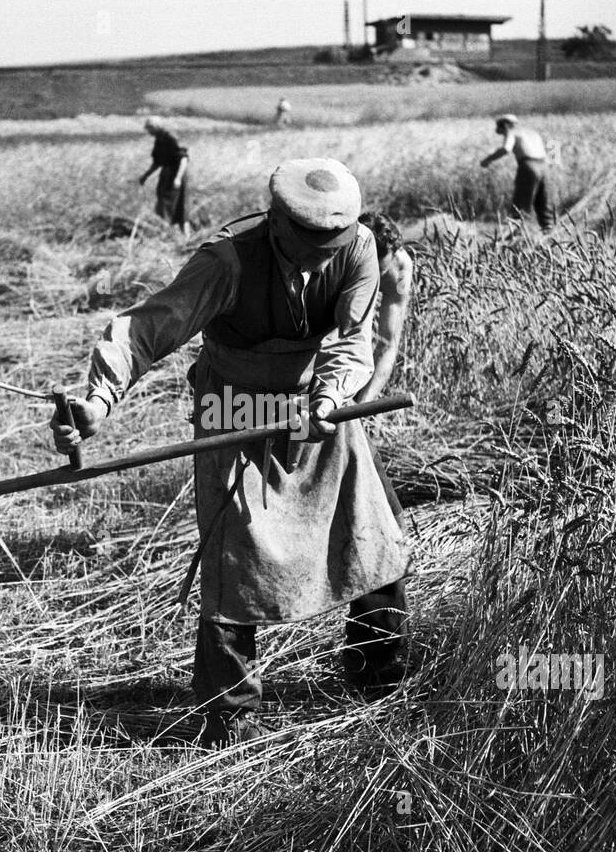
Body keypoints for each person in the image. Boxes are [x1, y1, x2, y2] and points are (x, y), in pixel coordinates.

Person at [52, 158, 412, 748]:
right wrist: (97, 402)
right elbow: (145, 329)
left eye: (336, 241)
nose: (327, 252)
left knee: (372, 534)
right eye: (313, 242)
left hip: (315, 407)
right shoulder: (227, 260)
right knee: (236, 558)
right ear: (277, 224)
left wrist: (328, 398)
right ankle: (229, 714)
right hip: (233, 409)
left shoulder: (360, 247)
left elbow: (353, 340)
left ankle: (380, 678)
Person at [355, 212, 413, 404]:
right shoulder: (346, 255)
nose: (373, 274)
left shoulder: (401, 269)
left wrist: (362, 405)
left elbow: (388, 343)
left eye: (379, 269)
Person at [480, 114, 555, 231]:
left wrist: (487, 160)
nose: (503, 133)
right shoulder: (532, 133)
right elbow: (553, 143)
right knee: (543, 203)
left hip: (528, 166)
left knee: (521, 204)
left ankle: (516, 236)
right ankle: (549, 232)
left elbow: (506, 149)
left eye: (501, 130)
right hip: (544, 167)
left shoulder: (512, 132)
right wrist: (553, 163)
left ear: (505, 125)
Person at [138, 116, 190, 233]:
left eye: (149, 129)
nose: (148, 132)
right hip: (167, 174)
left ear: (154, 127)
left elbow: (183, 159)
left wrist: (178, 178)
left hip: (177, 173)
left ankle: (183, 235)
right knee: (163, 201)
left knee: (179, 205)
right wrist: (145, 176)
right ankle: (166, 231)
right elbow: (157, 162)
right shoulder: (159, 139)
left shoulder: (171, 137)